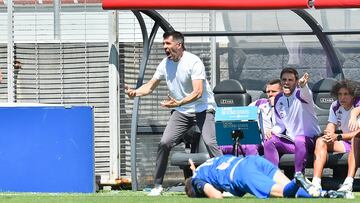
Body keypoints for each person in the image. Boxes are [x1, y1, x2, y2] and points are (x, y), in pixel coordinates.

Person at [125, 30, 223, 196]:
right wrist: (135, 92)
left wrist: (179, 102)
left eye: (168, 43)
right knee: (164, 143)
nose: (165, 47)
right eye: (164, 44)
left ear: (179, 45)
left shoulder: (194, 61)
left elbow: (198, 92)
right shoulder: (164, 64)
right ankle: (157, 186)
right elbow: (149, 86)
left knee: (211, 143)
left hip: (203, 108)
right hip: (182, 112)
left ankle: (226, 183)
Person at [185, 155, 350, 199]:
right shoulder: (203, 166)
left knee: (284, 192)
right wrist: (193, 170)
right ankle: (326, 193)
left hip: (242, 173)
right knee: (292, 195)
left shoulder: (196, 180)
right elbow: (197, 171)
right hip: (254, 161)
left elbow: (217, 196)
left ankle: (297, 179)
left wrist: (202, 190)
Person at [263, 68, 321, 176]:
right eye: (284, 79)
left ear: (296, 81)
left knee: (299, 139)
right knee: (269, 140)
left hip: (310, 141)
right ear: (281, 82)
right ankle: (272, 178)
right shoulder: (278, 98)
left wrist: (303, 85)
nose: (287, 82)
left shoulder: (301, 94)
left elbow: (306, 94)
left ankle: (299, 177)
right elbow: (280, 124)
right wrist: (272, 131)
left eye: (290, 80)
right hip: (291, 142)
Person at [311, 80, 360, 194]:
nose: (342, 97)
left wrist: (337, 136)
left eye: (346, 94)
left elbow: (357, 133)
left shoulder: (358, 104)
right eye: (339, 94)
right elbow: (331, 124)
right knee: (320, 141)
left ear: (353, 95)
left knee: (355, 139)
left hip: (357, 142)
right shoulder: (335, 105)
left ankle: (348, 183)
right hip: (345, 142)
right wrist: (329, 133)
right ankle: (316, 183)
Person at [219, 79, 283, 155]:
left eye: (274, 91)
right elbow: (244, 115)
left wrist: (273, 106)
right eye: (268, 92)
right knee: (221, 146)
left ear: (282, 92)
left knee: (250, 146)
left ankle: (253, 166)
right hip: (257, 139)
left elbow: (280, 125)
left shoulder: (285, 106)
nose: (270, 94)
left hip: (273, 141)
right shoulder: (260, 103)